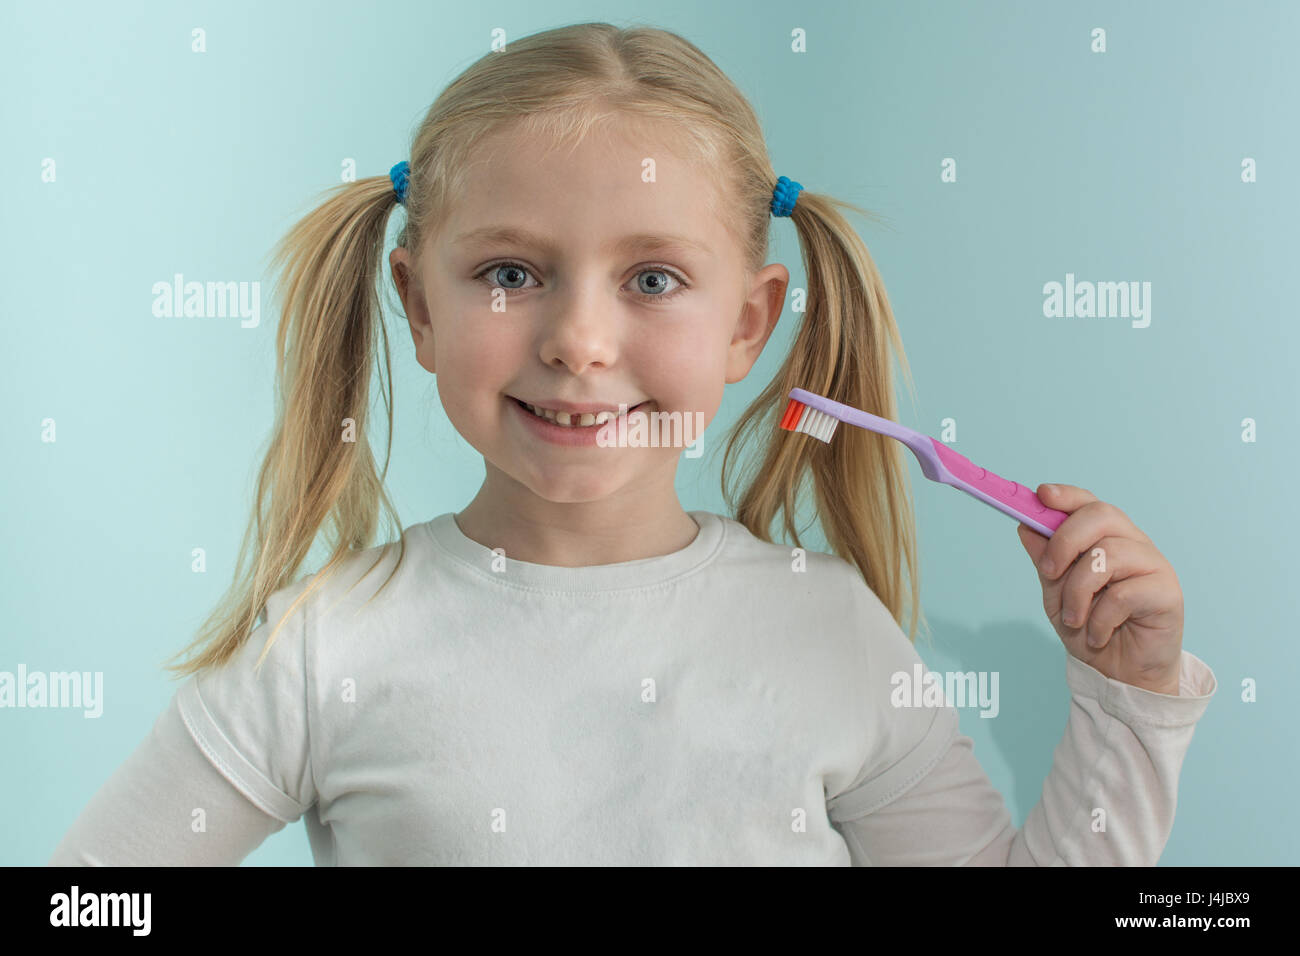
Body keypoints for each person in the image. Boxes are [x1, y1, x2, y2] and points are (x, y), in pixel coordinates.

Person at [49, 22, 1215, 866]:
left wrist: (1128, 698)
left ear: (748, 323)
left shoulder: (830, 632)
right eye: (510, 274)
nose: (579, 341)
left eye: (652, 278)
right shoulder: (321, 649)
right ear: (417, 302)